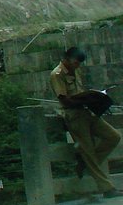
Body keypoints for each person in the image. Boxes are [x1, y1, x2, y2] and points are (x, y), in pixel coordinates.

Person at [51, 47, 120, 197]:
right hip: (74, 116)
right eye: (76, 62)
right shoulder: (57, 74)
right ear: (67, 59)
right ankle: (107, 188)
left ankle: (84, 162)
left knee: (113, 136)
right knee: (88, 150)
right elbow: (64, 99)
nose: (78, 66)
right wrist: (85, 98)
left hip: (87, 112)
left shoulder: (76, 70)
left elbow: (80, 90)